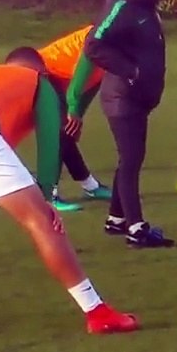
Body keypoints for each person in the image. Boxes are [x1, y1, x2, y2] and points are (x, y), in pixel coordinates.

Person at [0, 48, 139, 334]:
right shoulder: (39, 82)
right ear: (41, 70)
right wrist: (47, 196)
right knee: (42, 221)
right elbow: (51, 140)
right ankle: (97, 312)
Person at [83, 0, 173, 248]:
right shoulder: (121, 6)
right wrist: (130, 71)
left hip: (137, 98)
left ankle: (116, 219)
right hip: (122, 99)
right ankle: (137, 228)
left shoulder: (142, 5)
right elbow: (94, 45)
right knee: (132, 161)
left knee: (129, 158)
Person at [36, 25, 113, 212]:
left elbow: (94, 79)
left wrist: (79, 115)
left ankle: (90, 187)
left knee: (67, 130)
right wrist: (74, 109)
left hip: (62, 76)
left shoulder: (123, 41)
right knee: (57, 131)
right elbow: (81, 77)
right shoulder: (103, 37)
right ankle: (47, 195)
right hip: (44, 72)